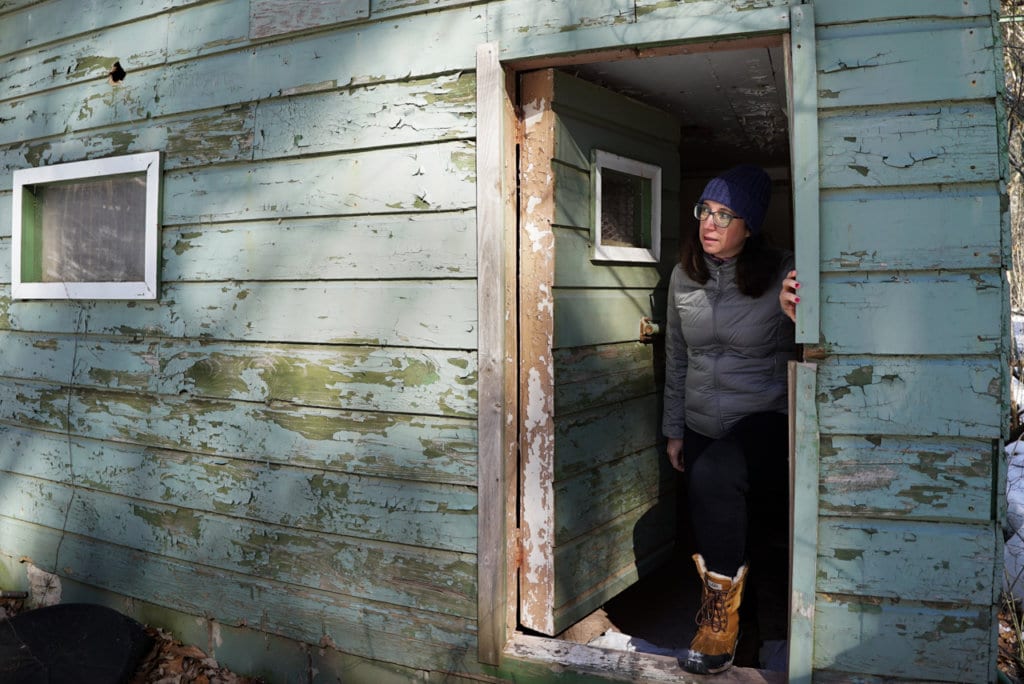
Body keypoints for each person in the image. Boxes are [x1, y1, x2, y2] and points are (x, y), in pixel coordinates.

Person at [662, 164, 796, 674]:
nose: (709, 224)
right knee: (717, 536)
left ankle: (751, 638)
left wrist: (800, 315)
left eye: (724, 214)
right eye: (704, 211)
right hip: (700, 425)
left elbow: (819, 338)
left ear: (751, 225)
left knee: (754, 530)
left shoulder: (783, 272)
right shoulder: (683, 275)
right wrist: (675, 427)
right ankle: (729, 637)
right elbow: (677, 355)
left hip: (761, 420)